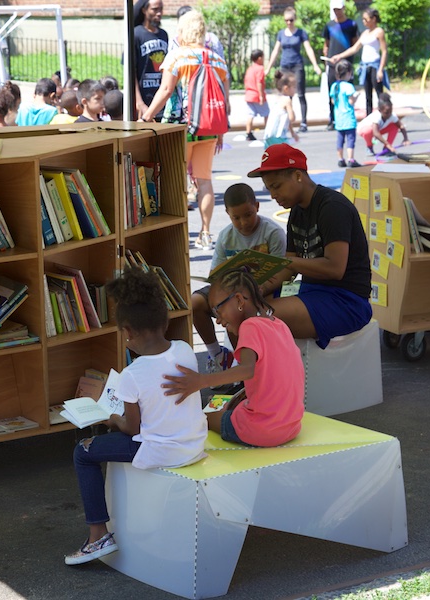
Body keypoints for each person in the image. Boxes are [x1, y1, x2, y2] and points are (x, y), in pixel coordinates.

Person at [65, 267, 207, 565]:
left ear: (127, 332)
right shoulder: (184, 350)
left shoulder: (133, 374)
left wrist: (109, 417)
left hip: (159, 449)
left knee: (83, 451)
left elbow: (132, 428)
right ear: (165, 320)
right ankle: (99, 534)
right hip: (193, 443)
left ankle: (98, 534)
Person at [246, 144, 372, 349]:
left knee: (256, 318)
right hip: (311, 291)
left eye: (276, 186)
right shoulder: (296, 211)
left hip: (347, 301)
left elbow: (335, 268)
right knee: (240, 307)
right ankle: (241, 371)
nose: (272, 195)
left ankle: (263, 376)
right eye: (269, 188)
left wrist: (291, 263)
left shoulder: (332, 207)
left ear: (297, 176)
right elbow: (286, 270)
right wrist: (257, 288)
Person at [163, 268, 305, 448]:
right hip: (291, 426)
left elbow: (246, 369)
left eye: (218, 310)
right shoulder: (279, 325)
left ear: (239, 300)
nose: (217, 319)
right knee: (228, 405)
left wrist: (201, 381)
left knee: (203, 415)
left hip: (262, 431)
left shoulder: (250, 326)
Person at [140, 9, 229, 252]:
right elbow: (224, 99)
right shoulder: (217, 60)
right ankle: (206, 233)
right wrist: (221, 130)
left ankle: (178, 236)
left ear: (182, 29)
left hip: (181, 127)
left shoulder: (177, 56)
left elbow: (166, 90)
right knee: (205, 181)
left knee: (174, 181)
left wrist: (147, 115)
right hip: (209, 128)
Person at [193, 183, 286, 375]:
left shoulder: (273, 233)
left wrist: (259, 288)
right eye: (236, 218)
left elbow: (281, 272)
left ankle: (243, 367)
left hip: (264, 289)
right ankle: (218, 356)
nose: (243, 222)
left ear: (257, 207)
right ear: (227, 213)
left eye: (248, 214)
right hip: (229, 290)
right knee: (194, 303)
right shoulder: (226, 236)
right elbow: (216, 276)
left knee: (234, 309)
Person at [264, 6, 322, 133]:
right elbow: (276, 51)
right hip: (285, 65)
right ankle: (286, 123)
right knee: (285, 95)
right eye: (286, 20)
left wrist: (315, 65)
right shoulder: (281, 34)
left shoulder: (301, 33)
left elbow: (308, 49)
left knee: (300, 93)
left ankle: (303, 122)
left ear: (295, 19)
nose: (289, 23)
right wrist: (268, 67)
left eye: (291, 20)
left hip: (297, 65)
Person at [330, 8, 389, 117]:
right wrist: (339, 56)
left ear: (373, 19)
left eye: (366, 19)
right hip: (365, 65)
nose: (364, 22)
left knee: (379, 93)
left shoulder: (379, 31)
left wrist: (380, 69)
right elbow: (354, 48)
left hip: (375, 65)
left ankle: (384, 116)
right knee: (367, 94)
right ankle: (369, 116)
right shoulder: (365, 33)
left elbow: (384, 51)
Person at [323, 0, 358, 130]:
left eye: (339, 9)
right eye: (335, 10)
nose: (337, 12)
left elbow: (355, 43)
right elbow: (326, 43)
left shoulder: (351, 24)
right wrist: (326, 54)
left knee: (348, 91)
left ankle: (348, 117)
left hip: (346, 64)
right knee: (332, 91)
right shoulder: (329, 25)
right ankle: (332, 119)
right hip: (332, 64)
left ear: (343, 8)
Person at [133, 0, 169, 120]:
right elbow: (131, 72)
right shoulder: (136, 34)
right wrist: (139, 102)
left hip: (161, 100)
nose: (159, 13)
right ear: (144, 10)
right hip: (144, 100)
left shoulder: (164, 34)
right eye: (154, 9)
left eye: (161, 9)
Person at [330, 59, 361, 168]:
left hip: (338, 118)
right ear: (348, 73)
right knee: (350, 139)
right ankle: (350, 159)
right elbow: (351, 102)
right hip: (348, 117)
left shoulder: (334, 86)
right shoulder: (348, 86)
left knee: (340, 140)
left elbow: (333, 101)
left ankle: (340, 159)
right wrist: (356, 96)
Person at [263, 70, 299, 148]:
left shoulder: (278, 99)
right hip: (278, 136)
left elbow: (287, 120)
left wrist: (292, 133)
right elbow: (291, 118)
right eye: (294, 87)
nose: (295, 90)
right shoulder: (287, 100)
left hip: (268, 135)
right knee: (288, 156)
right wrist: (293, 111)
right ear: (286, 88)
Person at [244, 49, 269, 141]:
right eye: (263, 57)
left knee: (250, 115)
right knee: (266, 113)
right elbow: (259, 82)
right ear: (259, 58)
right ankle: (268, 132)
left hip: (249, 95)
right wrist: (261, 96)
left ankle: (248, 133)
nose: (263, 59)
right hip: (257, 95)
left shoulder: (250, 68)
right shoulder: (260, 68)